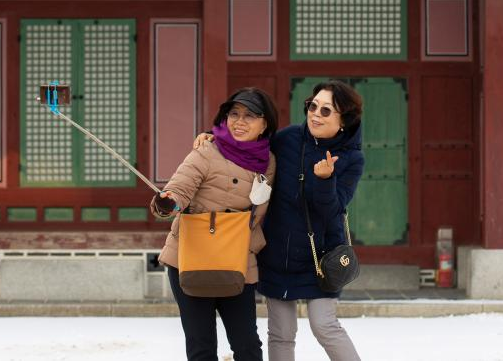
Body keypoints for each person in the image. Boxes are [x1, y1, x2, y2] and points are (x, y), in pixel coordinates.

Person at [150, 87, 278, 361]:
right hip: (193, 258)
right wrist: (168, 202)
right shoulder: (207, 150)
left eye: (250, 116)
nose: (239, 122)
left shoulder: (268, 161)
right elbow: (180, 187)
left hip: (238, 259)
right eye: (234, 114)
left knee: (247, 346)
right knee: (202, 347)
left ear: (265, 123)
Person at [259, 80, 364, 361]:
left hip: (322, 256)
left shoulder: (352, 158)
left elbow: (333, 210)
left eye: (326, 110)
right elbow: (249, 145)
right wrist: (212, 137)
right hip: (278, 252)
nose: (315, 114)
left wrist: (325, 180)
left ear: (344, 120)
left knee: (324, 326)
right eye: (312, 106)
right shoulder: (288, 139)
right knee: (281, 333)